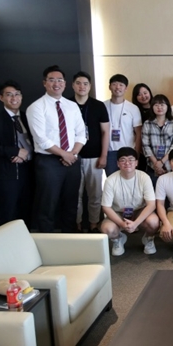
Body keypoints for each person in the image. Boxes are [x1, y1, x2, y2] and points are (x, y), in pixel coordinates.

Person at [26, 65, 86, 233]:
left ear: (65, 83)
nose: (56, 83)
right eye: (52, 80)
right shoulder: (36, 107)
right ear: (44, 83)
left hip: (72, 159)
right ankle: (47, 240)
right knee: (48, 203)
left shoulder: (72, 106)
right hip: (49, 161)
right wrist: (64, 154)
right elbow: (41, 138)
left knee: (71, 202)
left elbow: (82, 133)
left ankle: (70, 236)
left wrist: (72, 154)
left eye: (60, 80)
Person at [0, 81, 34, 227]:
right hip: (7, 174)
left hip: (29, 172)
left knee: (27, 210)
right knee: (8, 211)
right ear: (1, 98)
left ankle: (24, 239)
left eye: (17, 94)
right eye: (9, 95)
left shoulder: (28, 118)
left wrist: (26, 155)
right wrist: (15, 151)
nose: (14, 98)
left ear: (21, 96)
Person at [100, 147, 159, 256]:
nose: (127, 163)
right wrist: (122, 224)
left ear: (136, 163)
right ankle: (118, 239)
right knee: (108, 229)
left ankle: (148, 238)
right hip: (119, 212)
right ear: (118, 163)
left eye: (131, 160)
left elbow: (151, 204)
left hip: (139, 211)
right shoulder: (110, 180)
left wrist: (136, 223)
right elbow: (106, 207)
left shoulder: (144, 177)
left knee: (154, 222)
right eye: (123, 160)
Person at [72, 71, 110, 232]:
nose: (82, 86)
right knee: (75, 195)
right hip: (72, 157)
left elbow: (105, 132)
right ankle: (77, 224)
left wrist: (103, 155)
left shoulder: (98, 106)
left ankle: (94, 224)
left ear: (90, 86)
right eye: (78, 83)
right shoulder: (67, 104)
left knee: (95, 194)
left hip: (94, 156)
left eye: (85, 84)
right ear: (73, 85)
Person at [104, 74, 142, 176]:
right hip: (110, 152)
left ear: (126, 88)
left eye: (121, 85)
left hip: (128, 151)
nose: (117, 87)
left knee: (128, 181)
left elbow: (138, 133)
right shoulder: (102, 106)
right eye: (114, 84)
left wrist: (136, 154)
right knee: (112, 181)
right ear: (109, 87)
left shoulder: (133, 108)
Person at [141, 94, 173, 186]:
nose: (159, 107)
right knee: (153, 190)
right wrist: (156, 163)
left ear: (167, 106)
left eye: (162, 104)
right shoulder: (147, 124)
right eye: (156, 105)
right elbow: (145, 145)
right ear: (152, 107)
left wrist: (162, 162)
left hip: (169, 165)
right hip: (152, 166)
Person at [132, 83, 154, 171]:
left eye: (145, 93)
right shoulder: (134, 110)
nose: (143, 96)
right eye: (139, 94)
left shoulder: (157, 109)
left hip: (154, 148)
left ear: (149, 93)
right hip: (139, 148)